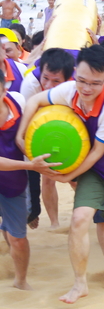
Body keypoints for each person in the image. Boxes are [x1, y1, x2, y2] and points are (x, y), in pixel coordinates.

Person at [17, 46, 104, 303]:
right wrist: (20, 135)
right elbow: (36, 100)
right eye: (81, 80)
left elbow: (95, 153)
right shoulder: (70, 90)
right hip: (94, 172)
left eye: (94, 83)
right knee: (80, 219)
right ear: (75, 75)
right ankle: (79, 284)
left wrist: (63, 177)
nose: (86, 88)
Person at [0, 69, 60, 290]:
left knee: (17, 237)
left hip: (14, 182)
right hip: (20, 169)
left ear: (4, 88)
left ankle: (20, 281)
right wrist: (30, 165)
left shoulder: (17, 101)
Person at [20, 48, 75, 230]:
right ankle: (54, 223)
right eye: (45, 78)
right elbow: (26, 127)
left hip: (65, 126)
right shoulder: (30, 85)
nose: (49, 84)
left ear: (67, 79)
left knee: (75, 175)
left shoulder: (74, 85)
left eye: (56, 81)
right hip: (38, 130)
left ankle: (95, 210)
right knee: (48, 177)